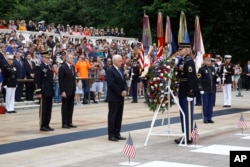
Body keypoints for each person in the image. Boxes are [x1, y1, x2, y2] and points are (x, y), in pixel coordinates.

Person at [174, 47, 198, 144]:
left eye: (181, 49)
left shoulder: (189, 61)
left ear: (187, 51)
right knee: (183, 114)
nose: (179, 51)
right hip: (182, 90)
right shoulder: (182, 61)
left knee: (187, 114)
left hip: (187, 91)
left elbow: (192, 78)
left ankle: (188, 137)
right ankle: (184, 134)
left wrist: (191, 92)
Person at [106, 54, 127, 142]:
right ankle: (111, 135)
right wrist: (120, 92)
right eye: (119, 61)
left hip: (121, 97)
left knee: (119, 116)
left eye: (121, 60)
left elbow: (124, 81)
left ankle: (117, 133)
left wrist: (125, 90)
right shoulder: (110, 70)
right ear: (114, 61)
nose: (121, 62)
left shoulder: (121, 70)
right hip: (114, 97)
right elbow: (112, 84)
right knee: (113, 116)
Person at [34, 51, 54, 131]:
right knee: (43, 109)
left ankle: (47, 124)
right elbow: (37, 81)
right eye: (47, 58)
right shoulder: (39, 67)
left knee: (49, 109)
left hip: (49, 91)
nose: (49, 59)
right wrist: (38, 92)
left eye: (49, 58)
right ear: (43, 58)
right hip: (43, 91)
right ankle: (42, 125)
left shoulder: (49, 67)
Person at [58, 52, 77, 129]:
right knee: (65, 107)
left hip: (71, 90)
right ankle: (64, 123)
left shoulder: (72, 67)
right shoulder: (63, 67)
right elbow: (61, 80)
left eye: (72, 58)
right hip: (65, 90)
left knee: (70, 107)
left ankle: (69, 122)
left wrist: (74, 89)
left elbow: (73, 79)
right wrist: (62, 91)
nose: (72, 59)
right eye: (70, 58)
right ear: (66, 58)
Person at [197, 54, 217, 123]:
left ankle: (209, 117)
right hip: (205, 89)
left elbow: (214, 77)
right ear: (204, 60)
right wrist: (200, 89)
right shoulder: (201, 69)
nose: (209, 61)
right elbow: (198, 80)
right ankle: (205, 118)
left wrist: (218, 79)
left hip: (212, 89)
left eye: (210, 60)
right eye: (207, 60)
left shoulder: (212, 68)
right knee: (205, 104)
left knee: (211, 104)